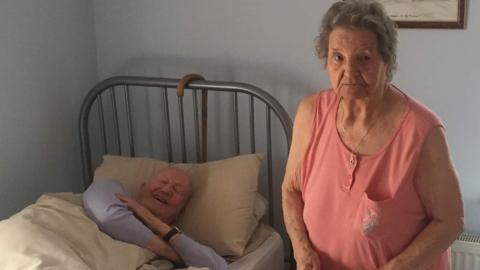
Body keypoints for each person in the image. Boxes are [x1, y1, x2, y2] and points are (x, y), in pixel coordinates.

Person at [281, 1, 464, 269]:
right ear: (326, 61)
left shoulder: (422, 130)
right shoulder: (310, 114)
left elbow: (451, 221)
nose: (349, 72)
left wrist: (398, 266)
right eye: (338, 57)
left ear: (386, 62)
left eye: (364, 58)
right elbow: (290, 190)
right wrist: (301, 249)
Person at [82, 167, 228, 270]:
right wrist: (173, 254)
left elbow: (219, 267)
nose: (166, 190)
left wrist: (150, 218)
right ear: (142, 187)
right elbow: (107, 217)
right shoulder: (112, 188)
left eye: (177, 190)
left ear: (180, 211)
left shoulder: (179, 241)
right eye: (163, 182)